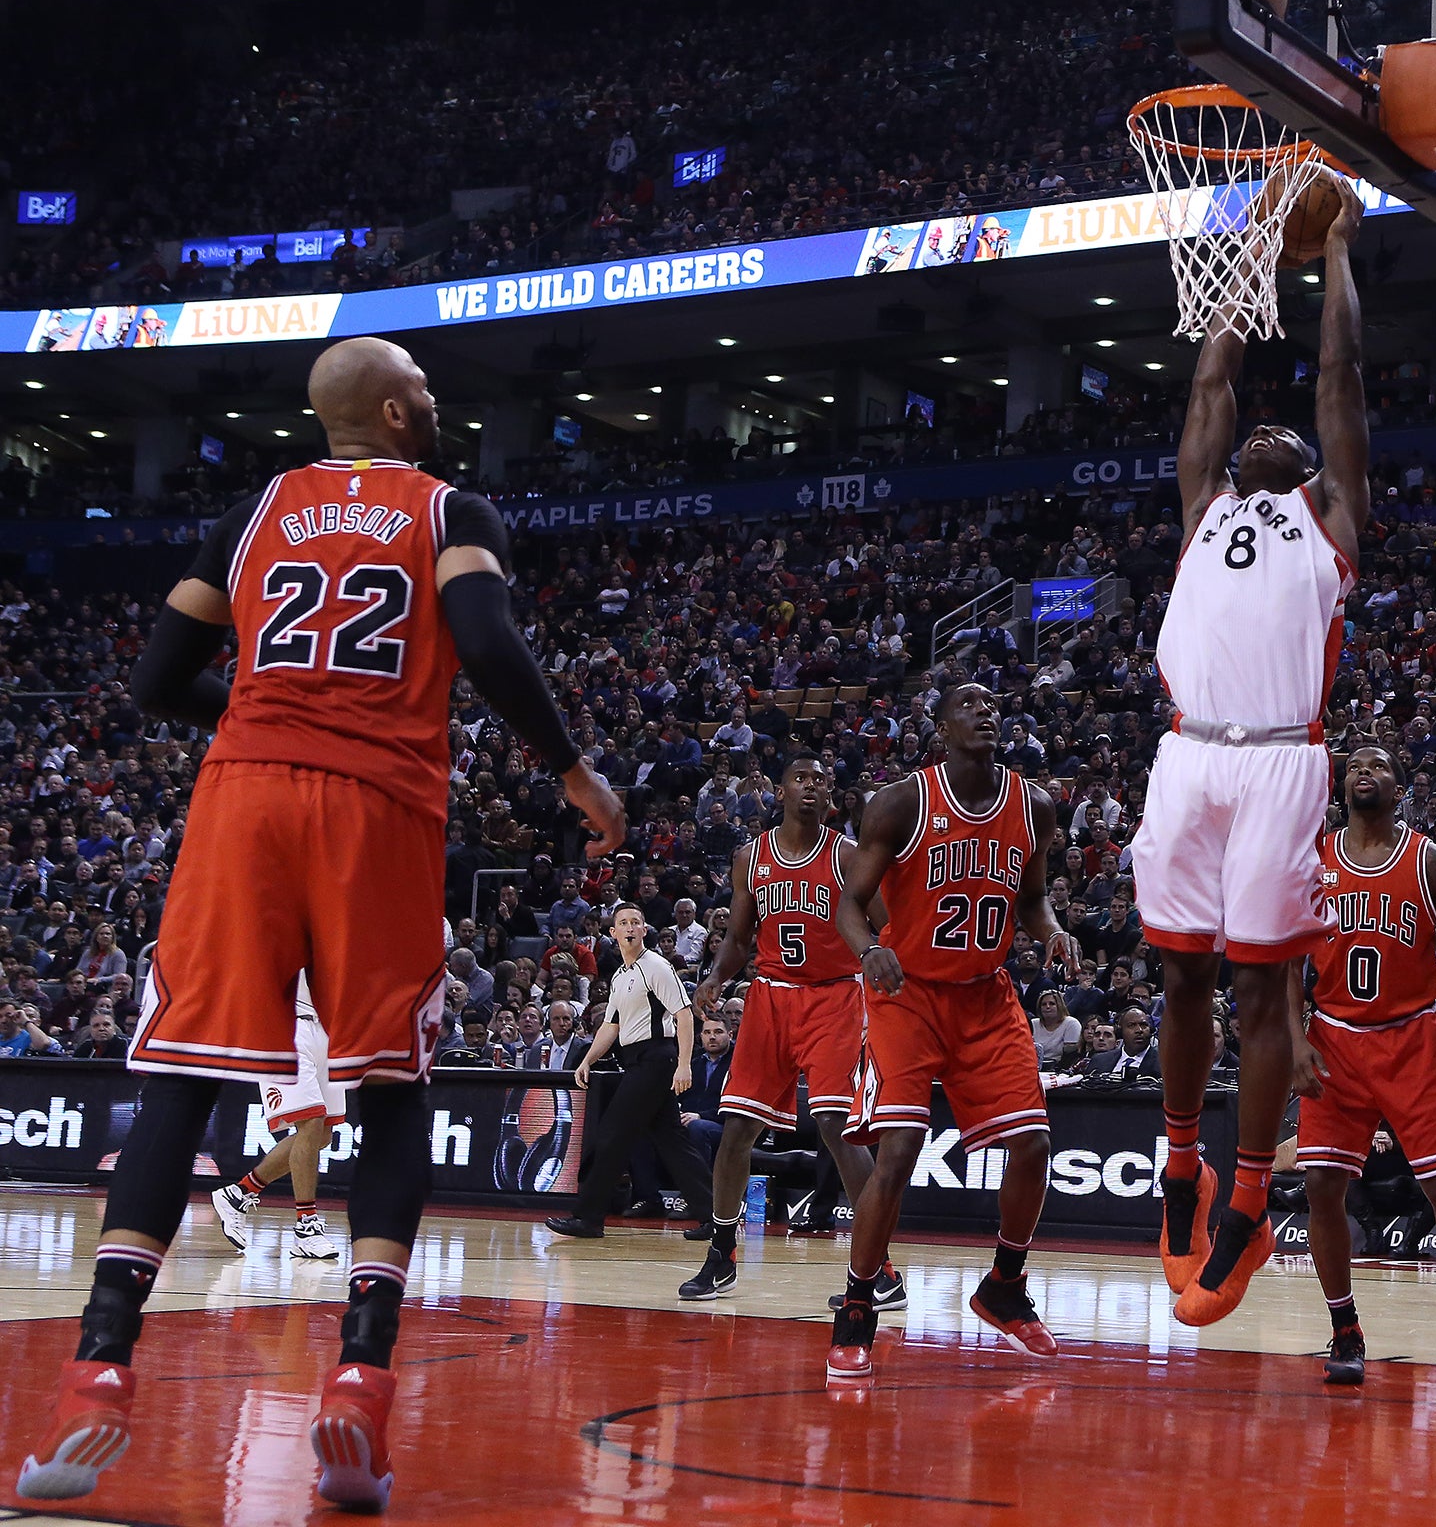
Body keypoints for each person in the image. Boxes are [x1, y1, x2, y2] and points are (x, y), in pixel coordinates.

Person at [16, 336, 625, 1511]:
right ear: (397, 414)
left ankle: (94, 1377)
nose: (440, 407)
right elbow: (489, 644)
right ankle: (358, 1379)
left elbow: (155, 680)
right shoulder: (450, 506)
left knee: (182, 1074)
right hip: (377, 812)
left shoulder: (254, 512)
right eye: (431, 395)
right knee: (391, 1084)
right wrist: (569, 771)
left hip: (241, 798)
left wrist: (256, 713)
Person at [1129, 186, 1369, 1325]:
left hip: (1280, 761)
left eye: (1290, 439)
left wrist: (1330, 261)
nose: (1267, 433)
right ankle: (1184, 1167)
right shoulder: (1199, 504)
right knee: (1181, 972)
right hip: (1185, 757)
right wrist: (1246, 261)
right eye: (1254, 440)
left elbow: (1337, 387)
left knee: (1261, 988)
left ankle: (1250, 1200)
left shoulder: (1330, 516)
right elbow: (1212, 381)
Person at [826, 683, 1076, 1382]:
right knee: (900, 1150)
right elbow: (849, 904)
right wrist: (868, 947)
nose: (987, 710)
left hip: (985, 998)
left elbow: (1030, 900)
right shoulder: (902, 802)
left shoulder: (1035, 806)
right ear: (941, 727)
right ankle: (856, 1305)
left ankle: (1004, 1286)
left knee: (1033, 1146)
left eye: (993, 703)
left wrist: (1052, 930)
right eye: (969, 704)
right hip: (908, 993)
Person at [1300, 745, 1436, 1392]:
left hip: (1414, 1038)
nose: (1365, 770)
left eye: (1379, 763)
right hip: (1333, 1038)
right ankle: (1344, 1330)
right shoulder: (1314, 862)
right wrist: (1290, 1036)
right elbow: (1282, 956)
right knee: (1321, 1190)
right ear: (1341, 783)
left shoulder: (1431, 862)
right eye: (1355, 762)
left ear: (1399, 786)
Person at [677, 753, 880, 1303]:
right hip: (768, 999)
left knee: (838, 1127)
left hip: (834, 998)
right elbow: (740, 938)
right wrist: (716, 976)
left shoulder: (848, 856)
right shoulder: (751, 857)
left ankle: (878, 1268)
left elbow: (884, 926)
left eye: (820, 779)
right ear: (778, 790)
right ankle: (721, 1254)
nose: (810, 786)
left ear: (831, 794)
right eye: (800, 777)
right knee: (737, 1128)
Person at [545, 907, 696, 1239]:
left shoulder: (656, 966)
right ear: (612, 933)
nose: (629, 928)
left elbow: (684, 1015)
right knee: (672, 1142)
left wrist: (684, 1064)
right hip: (637, 1059)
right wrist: (587, 1060)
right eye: (622, 923)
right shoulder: (620, 975)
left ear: (644, 929)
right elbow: (610, 1026)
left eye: (634, 923)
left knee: (612, 1134)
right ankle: (715, 1214)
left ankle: (588, 1217)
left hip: (657, 1057)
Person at [209, 976, 344, 1261]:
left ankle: (238, 1193)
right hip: (288, 1027)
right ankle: (307, 1227)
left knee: (322, 1134)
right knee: (311, 1121)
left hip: (330, 1030)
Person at [1085, 1007, 1163, 1079]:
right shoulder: (1099, 1061)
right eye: (1131, 1025)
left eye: (1144, 1025)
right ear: (1121, 1032)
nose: (1139, 1030)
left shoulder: (1163, 1064)